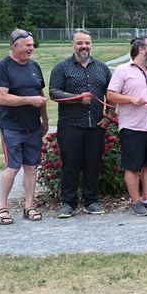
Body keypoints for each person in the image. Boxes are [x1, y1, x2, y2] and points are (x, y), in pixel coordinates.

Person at [49, 29, 114, 218]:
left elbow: (111, 95)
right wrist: (78, 98)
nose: (84, 46)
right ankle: (68, 203)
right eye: (79, 43)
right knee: (70, 164)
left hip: (95, 125)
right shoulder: (62, 68)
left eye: (87, 43)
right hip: (70, 125)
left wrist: (108, 117)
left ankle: (91, 201)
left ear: (91, 44)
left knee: (93, 163)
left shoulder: (101, 68)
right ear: (73, 44)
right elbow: (54, 93)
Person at [0, 29, 48, 224]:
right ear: (16, 46)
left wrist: (45, 119)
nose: (32, 48)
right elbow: (2, 97)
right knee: (13, 168)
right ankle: (2, 207)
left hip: (33, 127)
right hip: (11, 127)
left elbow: (40, 94)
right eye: (28, 45)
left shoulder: (34, 66)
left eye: (32, 45)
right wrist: (29, 100)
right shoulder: (2, 67)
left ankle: (29, 206)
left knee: (31, 167)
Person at [106, 36, 147, 216]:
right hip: (132, 127)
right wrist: (131, 99)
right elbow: (111, 95)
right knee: (132, 166)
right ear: (142, 49)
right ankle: (136, 202)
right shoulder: (123, 70)